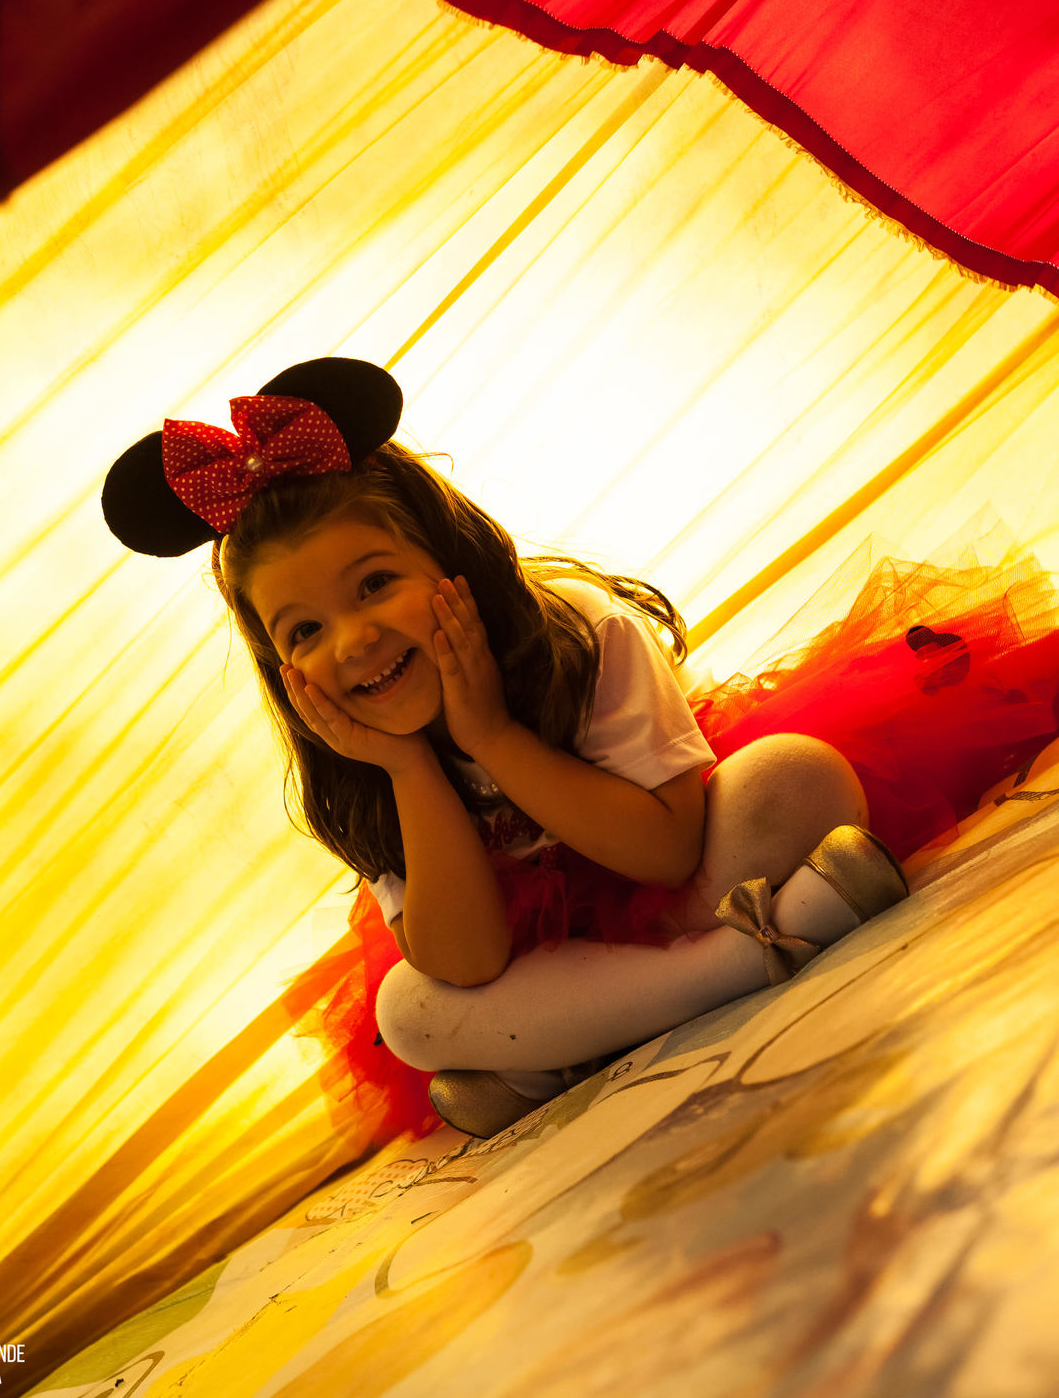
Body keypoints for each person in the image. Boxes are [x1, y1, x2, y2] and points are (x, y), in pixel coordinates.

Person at [103, 358, 1059, 1139]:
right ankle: (742, 960)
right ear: (282, 670)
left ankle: (560, 1055)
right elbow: (468, 960)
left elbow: (669, 851)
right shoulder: (357, 759)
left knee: (792, 777)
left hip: (677, 873)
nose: (350, 642)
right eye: (301, 633)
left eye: (374, 584)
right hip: (540, 957)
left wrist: (488, 734)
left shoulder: (579, 632)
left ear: (450, 560)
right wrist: (408, 766)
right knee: (411, 1012)